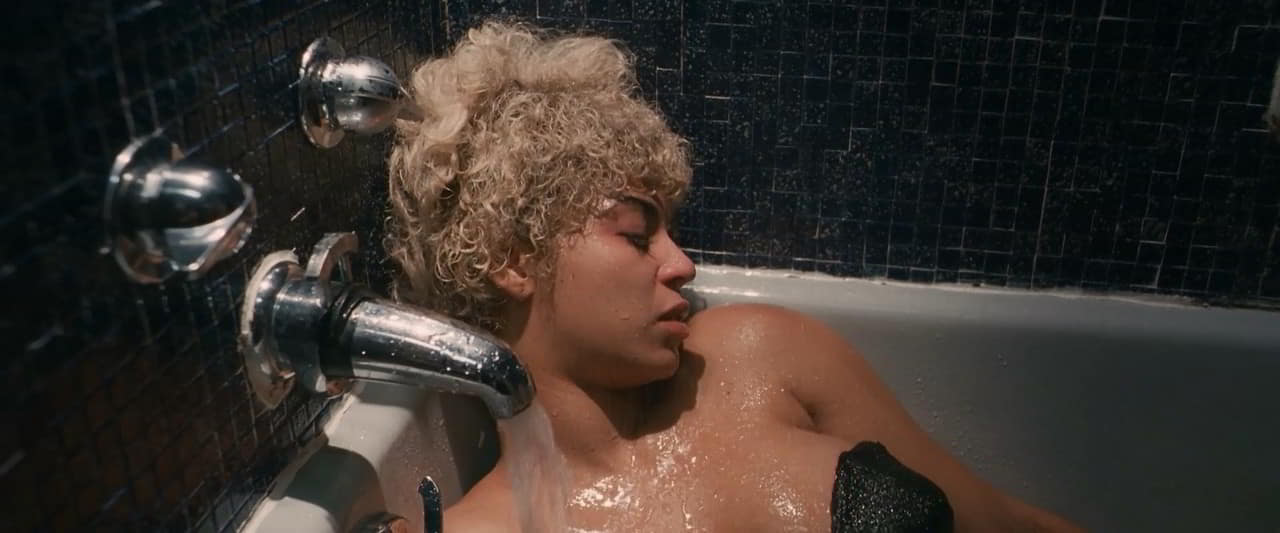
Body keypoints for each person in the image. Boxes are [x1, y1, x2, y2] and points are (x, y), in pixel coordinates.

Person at [386, 20, 1081, 533]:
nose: (682, 265)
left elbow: (1007, 523)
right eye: (637, 235)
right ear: (512, 259)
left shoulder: (754, 355)